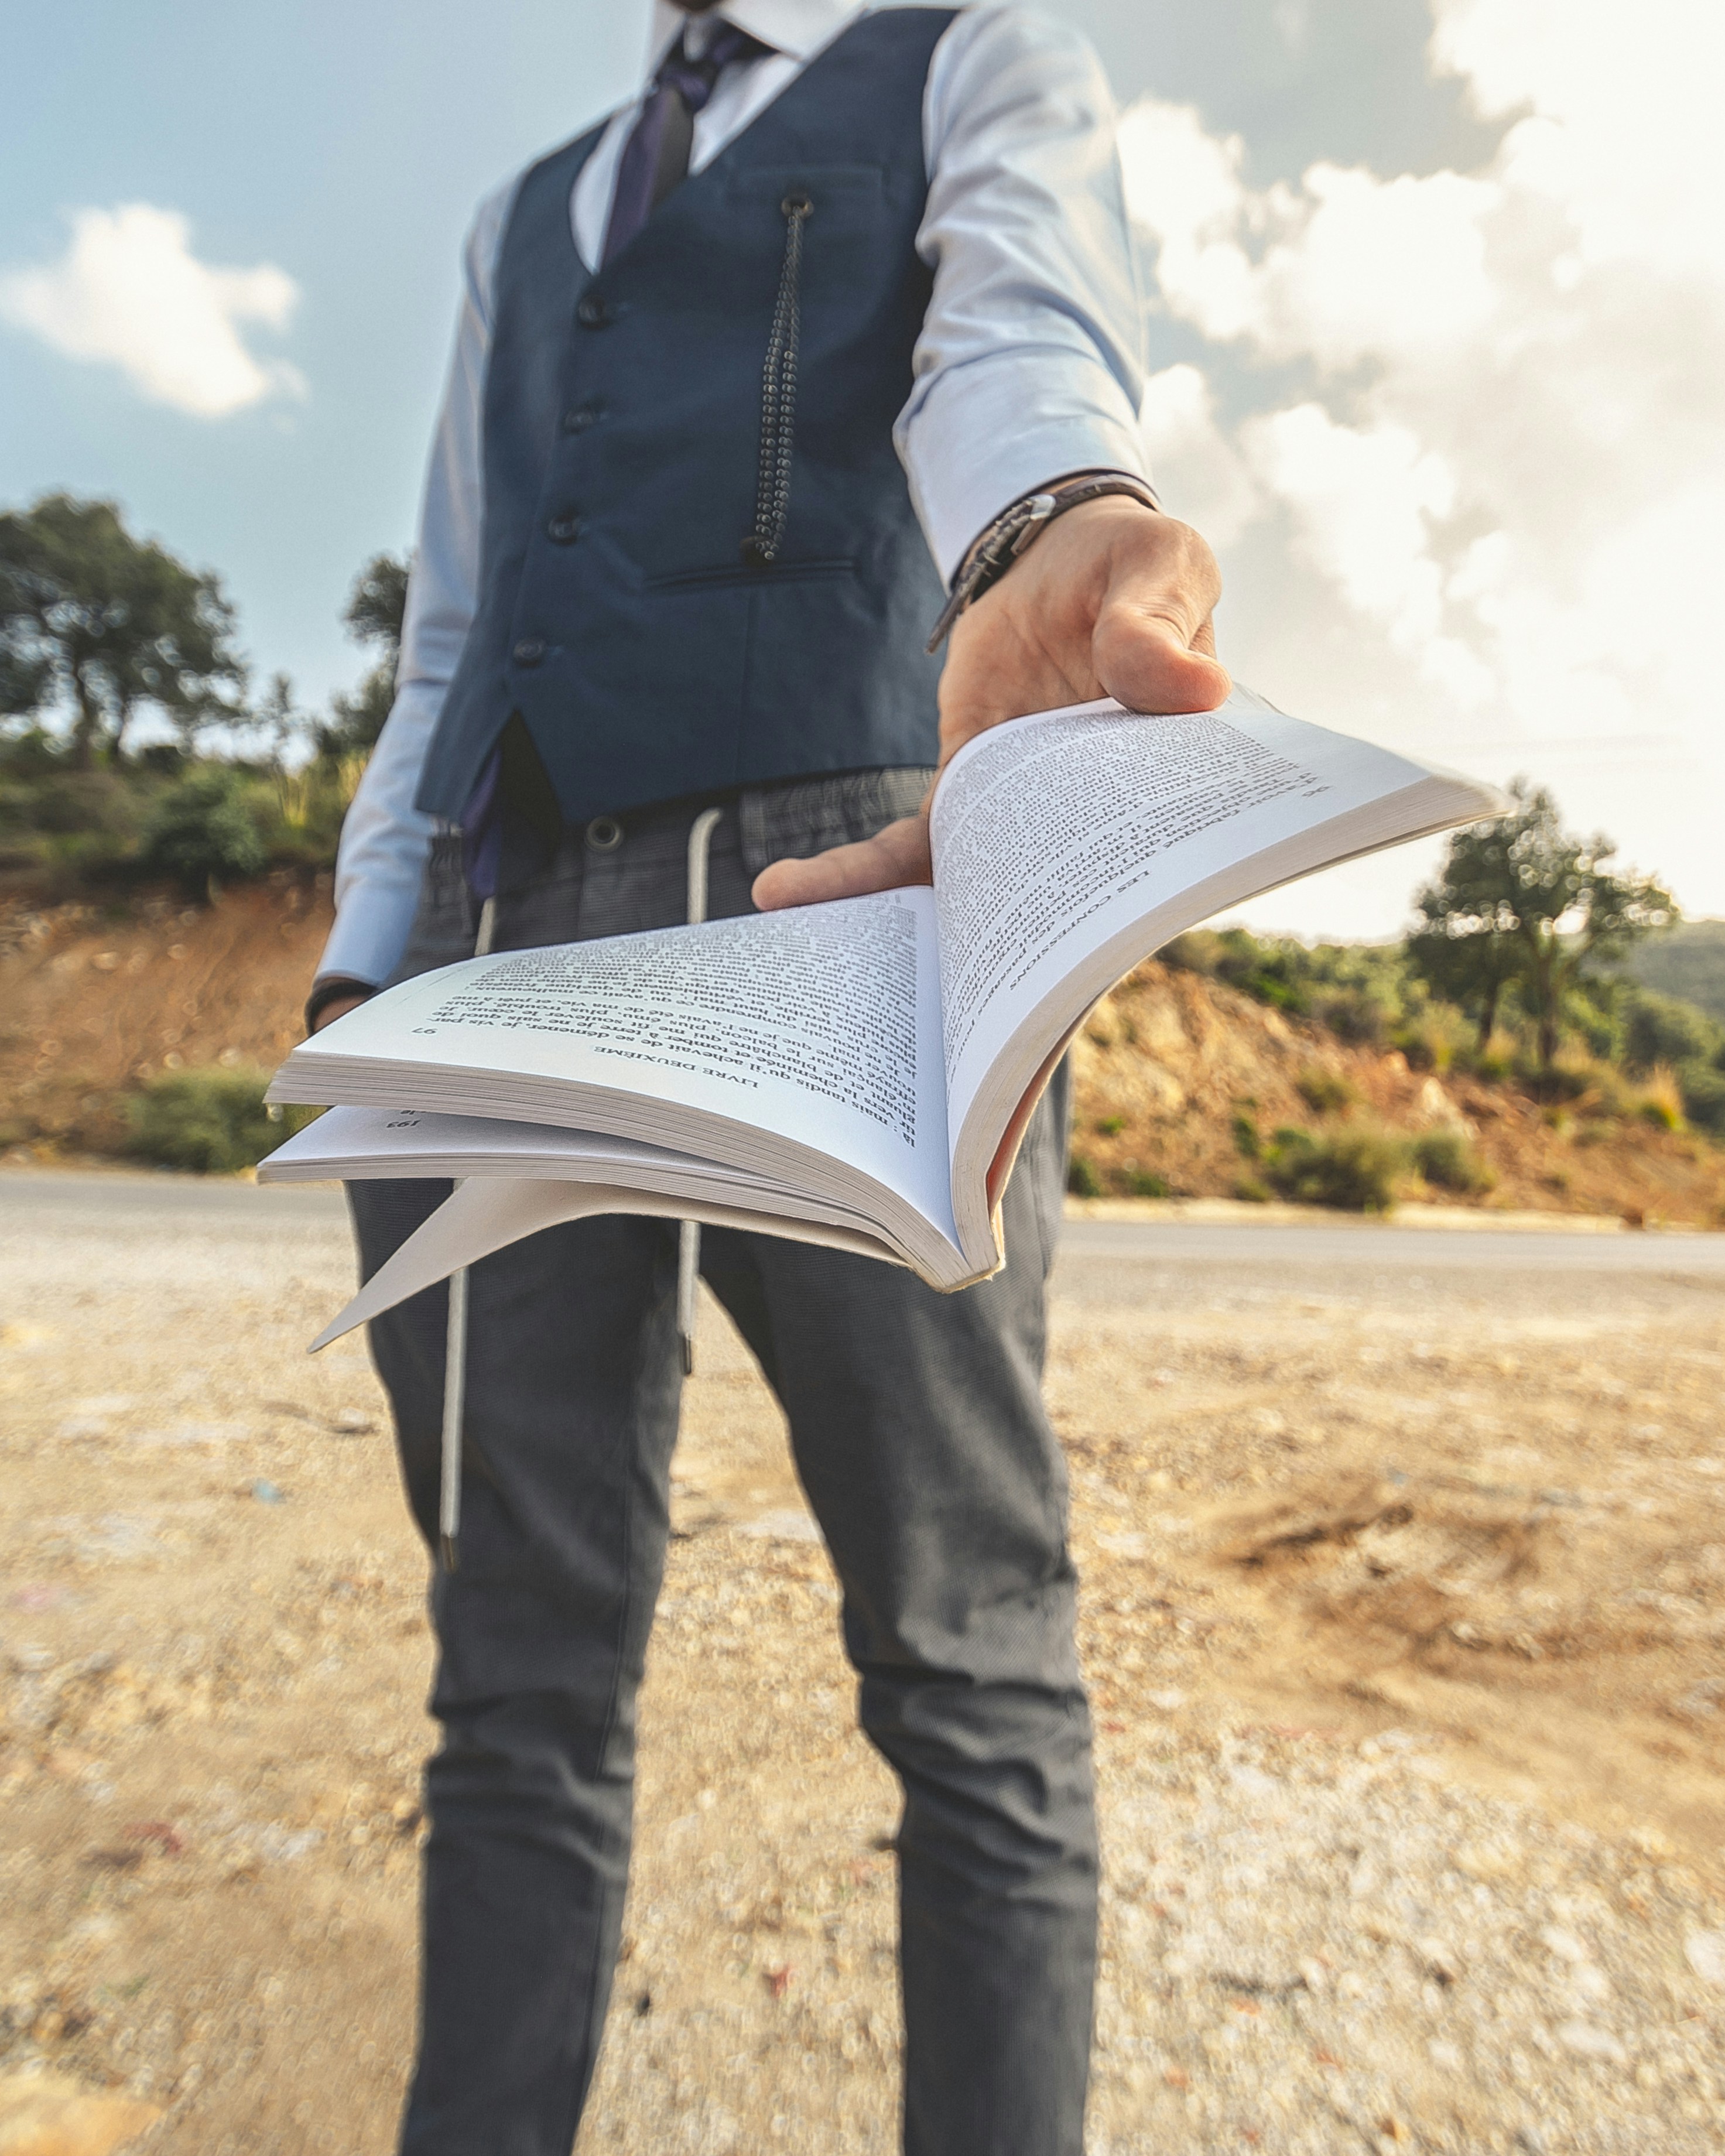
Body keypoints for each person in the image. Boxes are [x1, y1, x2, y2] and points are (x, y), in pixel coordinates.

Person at [306, 5, 1227, 2151]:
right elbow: (459, 612)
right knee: (509, 1670)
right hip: (490, 942)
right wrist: (370, 947)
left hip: (857, 901)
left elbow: (1023, 335)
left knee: (963, 1641)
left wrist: (1051, 514)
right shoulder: (520, 212)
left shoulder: (971, 46)